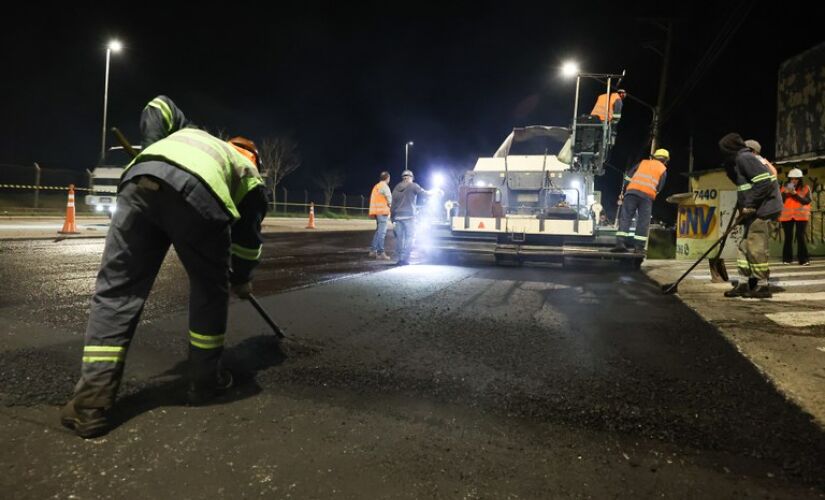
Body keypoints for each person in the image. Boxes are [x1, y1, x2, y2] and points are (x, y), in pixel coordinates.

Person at [60, 99, 268, 439]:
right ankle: (205, 383)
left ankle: (90, 406)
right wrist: (242, 278)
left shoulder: (192, 133)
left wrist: (155, 151)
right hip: (202, 198)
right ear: (255, 159)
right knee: (208, 292)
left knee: (117, 292)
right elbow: (247, 243)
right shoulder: (250, 176)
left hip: (141, 180)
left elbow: (159, 105)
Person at [719, 132, 783, 299]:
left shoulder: (746, 158)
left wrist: (750, 204)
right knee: (743, 246)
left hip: (761, 209)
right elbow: (745, 184)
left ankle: (762, 286)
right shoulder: (741, 160)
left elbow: (764, 183)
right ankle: (743, 283)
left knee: (755, 246)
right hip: (752, 209)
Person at [611, 148, 669, 254]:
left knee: (626, 218)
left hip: (631, 193)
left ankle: (620, 244)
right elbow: (659, 187)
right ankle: (639, 248)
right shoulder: (663, 170)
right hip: (646, 197)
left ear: (654, 157)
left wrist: (625, 191)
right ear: (665, 160)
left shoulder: (643, 163)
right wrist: (652, 193)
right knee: (643, 222)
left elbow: (628, 177)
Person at [390, 169, 440, 265]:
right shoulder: (413, 186)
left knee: (399, 238)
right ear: (411, 178)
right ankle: (405, 259)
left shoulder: (396, 187)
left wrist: (392, 218)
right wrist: (436, 191)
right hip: (409, 217)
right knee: (410, 237)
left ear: (403, 177)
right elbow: (425, 194)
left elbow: (393, 204)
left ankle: (400, 259)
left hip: (398, 217)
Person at [779, 168, 811, 265]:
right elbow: (780, 201)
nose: (794, 181)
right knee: (788, 237)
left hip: (801, 216)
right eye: (792, 179)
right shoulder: (784, 188)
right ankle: (787, 259)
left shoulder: (805, 188)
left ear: (800, 179)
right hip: (787, 216)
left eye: (796, 179)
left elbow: (807, 201)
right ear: (789, 179)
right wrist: (785, 194)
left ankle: (803, 259)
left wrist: (795, 194)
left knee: (800, 237)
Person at [368, 171, 392, 260]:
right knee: (382, 233)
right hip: (383, 212)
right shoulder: (385, 187)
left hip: (377, 212)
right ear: (387, 178)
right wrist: (391, 208)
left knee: (378, 232)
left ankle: (373, 251)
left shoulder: (376, 186)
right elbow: (389, 199)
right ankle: (380, 252)